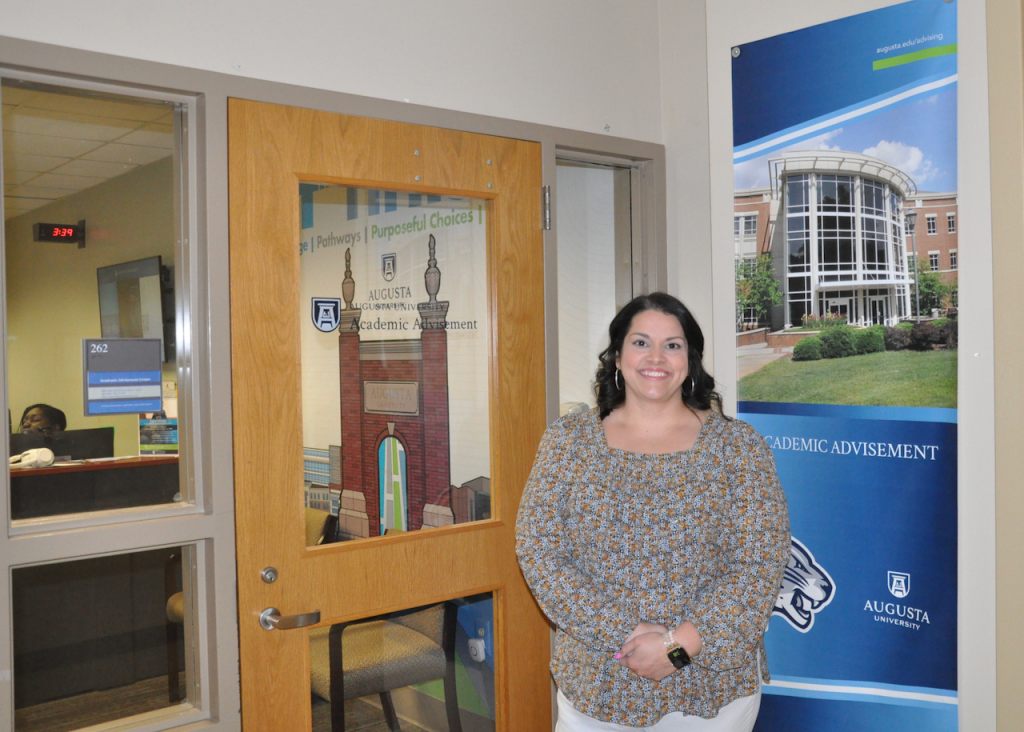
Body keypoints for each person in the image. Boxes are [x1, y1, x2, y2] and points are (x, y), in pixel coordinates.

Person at [516, 293, 790, 731]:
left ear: (690, 359)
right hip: (597, 685)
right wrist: (623, 634)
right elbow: (539, 552)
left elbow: (759, 565)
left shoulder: (739, 448)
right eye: (641, 343)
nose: (657, 357)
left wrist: (677, 647)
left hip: (711, 693)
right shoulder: (568, 442)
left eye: (673, 345)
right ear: (618, 356)